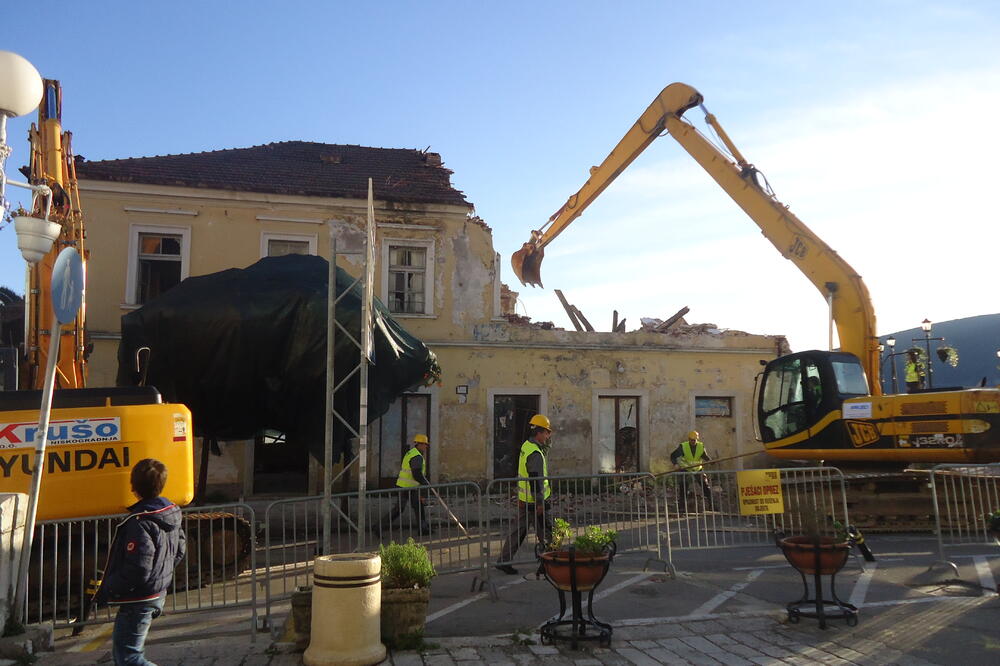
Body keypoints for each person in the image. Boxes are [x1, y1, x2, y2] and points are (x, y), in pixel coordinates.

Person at [95, 458, 186, 666]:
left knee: (128, 658)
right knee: (125, 656)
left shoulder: (140, 522)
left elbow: (139, 568)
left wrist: (110, 585)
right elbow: (180, 548)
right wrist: (162, 573)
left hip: (139, 598)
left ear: (133, 486)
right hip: (155, 592)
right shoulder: (170, 513)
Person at [496, 414, 553, 575]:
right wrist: (540, 502)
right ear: (540, 432)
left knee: (518, 532)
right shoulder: (535, 453)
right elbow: (536, 480)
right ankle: (548, 564)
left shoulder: (526, 446)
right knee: (546, 533)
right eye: (547, 432)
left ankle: (504, 560)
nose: (548, 436)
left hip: (525, 500)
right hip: (536, 502)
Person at [388, 434, 432, 533]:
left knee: (419, 507)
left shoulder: (412, 453)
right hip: (406, 487)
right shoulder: (417, 456)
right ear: (419, 444)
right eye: (425, 444)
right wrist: (425, 483)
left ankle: (423, 529)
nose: (426, 447)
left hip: (409, 486)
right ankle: (378, 527)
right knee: (399, 510)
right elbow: (416, 473)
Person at [669, 430, 713, 503]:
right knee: (683, 486)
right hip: (685, 468)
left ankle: (712, 504)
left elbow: (704, 456)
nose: (693, 441)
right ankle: (682, 506)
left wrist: (710, 461)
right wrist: (675, 464)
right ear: (689, 439)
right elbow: (673, 455)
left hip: (697, 469)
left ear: (697, 439)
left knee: (705, 486)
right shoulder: (683, 446)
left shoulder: (700, 446)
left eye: (694, 440)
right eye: (691, 440)